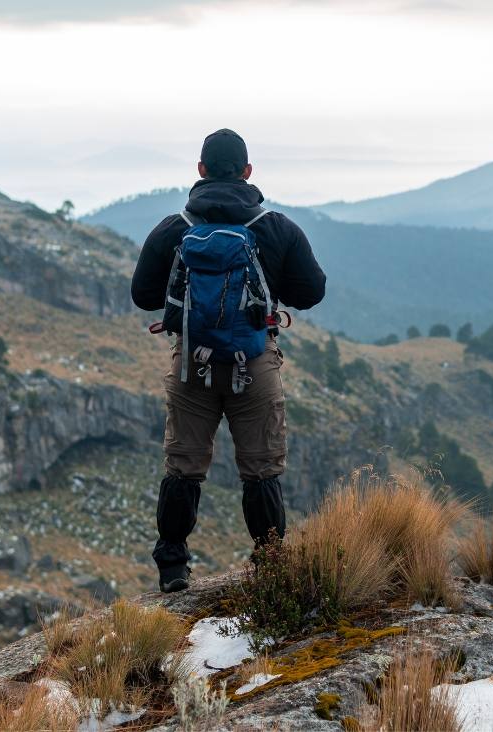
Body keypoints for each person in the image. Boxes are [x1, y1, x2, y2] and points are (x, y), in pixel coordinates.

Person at [131, 129, 327, 593]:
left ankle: (174, 569)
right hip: (255, 364)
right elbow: (312, 292)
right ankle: (271, 567)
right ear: (247, 172)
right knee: (261, 470)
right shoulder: (275, 228)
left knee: (184, 465)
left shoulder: (173, 228)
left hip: (191, 366)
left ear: (200, 170)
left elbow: (142, 296)